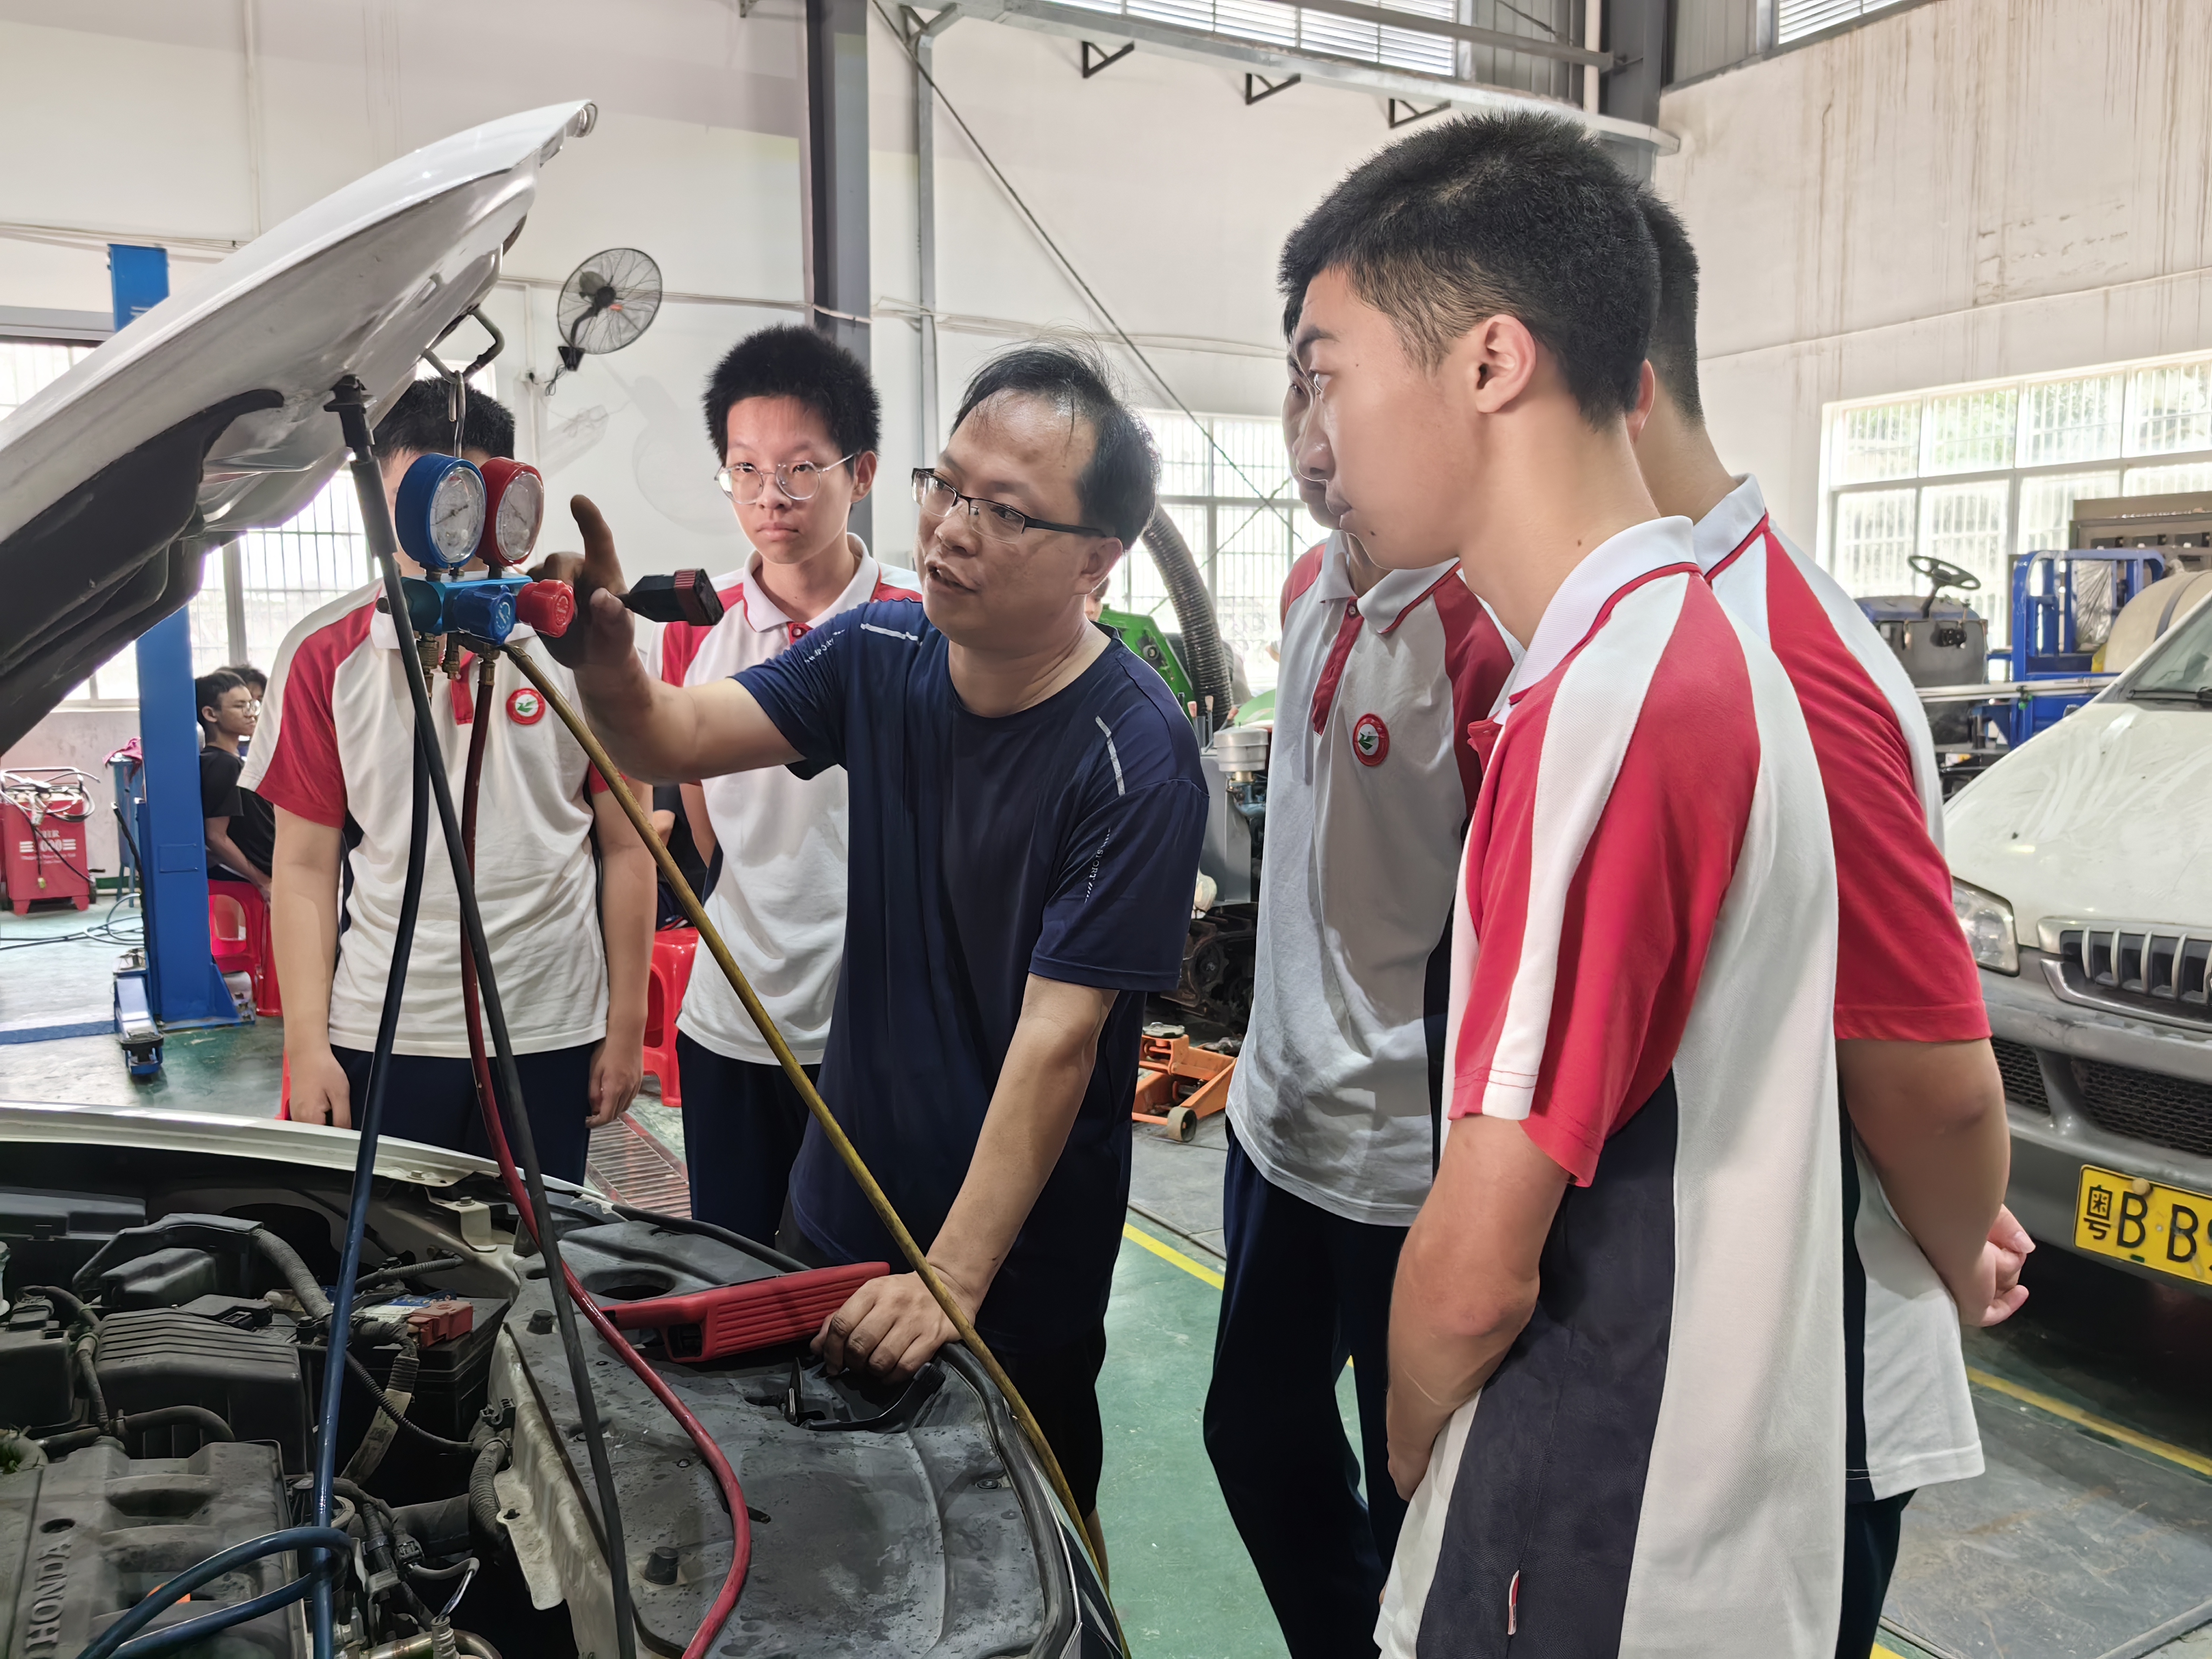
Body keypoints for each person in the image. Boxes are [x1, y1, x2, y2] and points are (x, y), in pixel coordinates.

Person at [1282, 112, 1848, 1655]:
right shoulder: (1677, 644)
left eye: (1331, 373)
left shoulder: (1614, 697)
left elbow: (1476, 1269)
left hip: (1601, 1534)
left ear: (1490, 362)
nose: (1319, 437)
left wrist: (1412, 1443)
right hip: (1681, 1516)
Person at [536, 342, 1209, 1561]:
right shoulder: (877, 658)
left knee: (1031, 1536)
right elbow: (670, 736)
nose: (952, 527)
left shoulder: (1132, 755)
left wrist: (952, 1278)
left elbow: (1058, 1042)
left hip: (1009, 1254)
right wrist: (607, 661)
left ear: (1095, 562)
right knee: (822, 1517)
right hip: (840, 1202)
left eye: (1006, 511)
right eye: (945, 486)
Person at [1628, 191, 2029, 1658]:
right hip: (1680, 1355)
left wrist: (1949, 1225)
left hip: (1798, 1386)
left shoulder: (1774, 656)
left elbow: (1933, 1084)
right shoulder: (1647, 618)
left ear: (1612, 385)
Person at [1203, 314, 1516, 1658]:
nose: (1314, 440)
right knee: (1251, 1433)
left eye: (1342, 395)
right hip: (1277, 1130)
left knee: (1417, 1498)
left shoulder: (1489, 631)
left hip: (1407, 1163)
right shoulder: (1308, 588)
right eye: (1299, 393)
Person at [245, 382, 655, 1183]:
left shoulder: (579, 648)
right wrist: (306, 1042)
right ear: (375, 506)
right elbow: (302, 868)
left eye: (468, 508)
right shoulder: (323, 654)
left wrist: (626, 1024)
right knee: (393, 1254)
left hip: (549, 1022)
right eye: (421, 506)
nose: (447, 540)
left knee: (538, 1245)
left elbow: (630, 847)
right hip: (385, 1026)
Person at [652, 325, 918, 1240]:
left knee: (863, 1280)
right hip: (732, 1021)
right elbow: (702, 818)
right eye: (746, 469)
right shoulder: (695, 626)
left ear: (862, 472)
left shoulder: (920, 621)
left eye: (802, 468)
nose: (772, 496)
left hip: (881, 1035)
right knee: (733, 1269)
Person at [197, 667, 275, 893]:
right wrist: (262, 881)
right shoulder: (223, 764)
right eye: (240, 707)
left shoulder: (232, 760)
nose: (251, 714)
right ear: (211, 714)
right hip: (244, 884)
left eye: (252, 705)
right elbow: (215, 836)